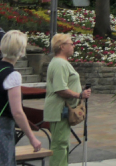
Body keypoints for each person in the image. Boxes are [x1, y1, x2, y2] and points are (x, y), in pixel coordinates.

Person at [0, 30, 43, 165]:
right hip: (0, 129)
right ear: (21, 51)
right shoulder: (12, 75)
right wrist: (32, 138)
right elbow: (17, 112)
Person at [44, 33, 92, 166]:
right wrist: (79, 95)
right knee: (60, 146)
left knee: (63, 144)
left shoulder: (61, 63)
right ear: (62, 46)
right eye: (71, 44)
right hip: (59, 111)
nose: (73, 46)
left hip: (63, 111)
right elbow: (60, 89)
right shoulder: (59, 64)